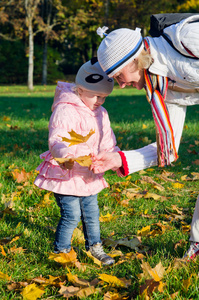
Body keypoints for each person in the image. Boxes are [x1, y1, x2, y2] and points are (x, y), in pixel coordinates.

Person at [91, 15, 199, 261]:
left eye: (119, 76)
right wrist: (118, 160)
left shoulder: (186, 38)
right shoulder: (160, 88)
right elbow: (168, 147)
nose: (120, 85)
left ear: (135, 61)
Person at [34, 57, 121, 265]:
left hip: (89, 174)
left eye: (104, 97)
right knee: (71, 214)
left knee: (91, 213)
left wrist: (111, 156)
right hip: (67, 173)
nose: (100, 101)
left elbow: (107, 139)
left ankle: (95, 247)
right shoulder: (65, 109)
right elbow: (58, 138)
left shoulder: (101, 113)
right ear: (81, 88)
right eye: (96, 95)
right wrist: (65, 155)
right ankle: (62, 251)